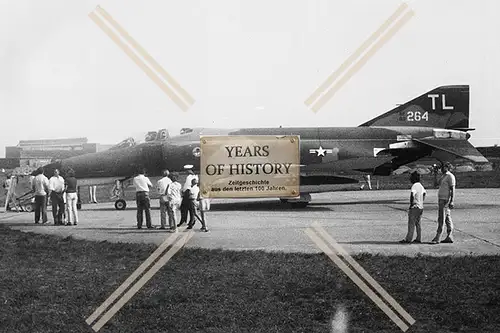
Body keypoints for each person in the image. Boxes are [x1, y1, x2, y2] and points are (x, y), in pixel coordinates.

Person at [431, 162, 456, 244]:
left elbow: (453, 189)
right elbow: (435, 184)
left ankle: (438, 236)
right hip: (441, 199)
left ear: (447, 167)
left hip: (445, 199)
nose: (441, 168)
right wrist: (435, 174)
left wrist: (452, 201)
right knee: (447, 218)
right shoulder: (443, 176)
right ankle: (450, 236)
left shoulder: (450, 176)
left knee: (441, 218)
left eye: (443, 167)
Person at [399, 171, 426, 244]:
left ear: (414, 178)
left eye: (411, 177)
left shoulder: (414, 185)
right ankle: (418, 238)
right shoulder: (420, 185)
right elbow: (424, 193)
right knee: (418, 224)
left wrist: (411, 204)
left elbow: (412, 195)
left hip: (415, 207)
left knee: (411, 223)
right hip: (420, 207)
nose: (410, 179)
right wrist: (421, 201)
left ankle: (408, 239)